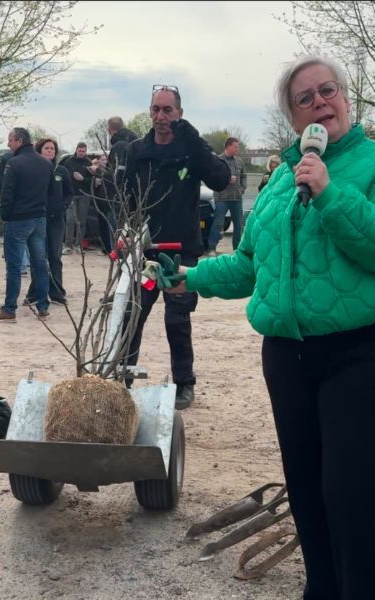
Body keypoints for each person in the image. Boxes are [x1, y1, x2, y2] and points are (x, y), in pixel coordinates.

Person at [155, 56, 375, 600]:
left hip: (366, 355)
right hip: (290, 357)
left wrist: (330, 192)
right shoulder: (281, 181)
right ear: (293, 116)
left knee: (354, 499)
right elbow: (251, 265)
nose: (319, 102)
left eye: (327, 90)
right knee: (309, 497)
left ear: (346, 97)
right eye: (305, 98)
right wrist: (190, 277)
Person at [124, 85, 230, 409]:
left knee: (177, 320)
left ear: (179, 114)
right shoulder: (137, 151)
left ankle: (184, 383)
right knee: (132, 314)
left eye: (168, 110)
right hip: (146, 252)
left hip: (181, 254)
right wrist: (125, 231)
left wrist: (195, 140)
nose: (160, 117)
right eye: (155, 109)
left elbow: (221, 179)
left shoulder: (190, 151)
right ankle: (121, 375)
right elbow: (126, 197)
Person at [0, 127, 53, 323]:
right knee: (40, 264)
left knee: (14, 266)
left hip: (18, 218)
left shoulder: (14, 163)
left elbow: (7, 193)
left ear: (19, 140)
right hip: (39, 217)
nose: (8, 143)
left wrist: (5, 215)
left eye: (10, 140)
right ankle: (43, 306)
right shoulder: (45, 163)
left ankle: (10, 308)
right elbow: (49, 191)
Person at [25, 137, 73, 305]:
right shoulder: (34, 170)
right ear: (39, 151)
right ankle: (35, 293)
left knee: (54, 255)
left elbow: (69, 193)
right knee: (38, 256)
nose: (50, 151)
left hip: (56, 221)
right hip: (37, 219)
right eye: (46, 148)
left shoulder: (61, 171)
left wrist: (63, 206)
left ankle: (57, 292)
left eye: (52, 148)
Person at [205, 137, 246, 256]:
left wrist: (243, 188)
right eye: (235, 146)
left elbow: (244, 176)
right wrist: (227, 179)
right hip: (221, 197)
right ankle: (212, 248)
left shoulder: (239, 161)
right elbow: (212, 177)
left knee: (238, 225)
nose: (237, 149)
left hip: (236, 198)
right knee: (217, 223)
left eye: (237, 147)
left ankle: (238, 250)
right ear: (228, 146)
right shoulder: (217, 160)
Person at [62, 141, 93, 253]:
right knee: (70, 220)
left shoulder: (89, 163)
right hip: (71, 195)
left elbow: (92, 181)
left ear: (86, 151)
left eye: (83, 151)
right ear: (76, 150)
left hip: (84, 195)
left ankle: (79, 245)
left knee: (82, 221)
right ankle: (68, 245)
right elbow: (64, 177)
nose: (81, 153)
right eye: (80, 151)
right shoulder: (69, 162)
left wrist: (83, 179)